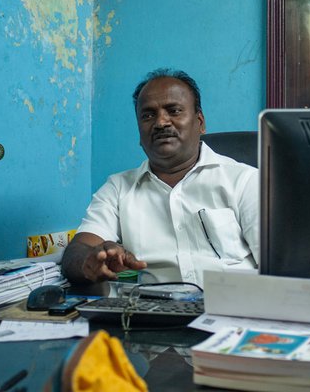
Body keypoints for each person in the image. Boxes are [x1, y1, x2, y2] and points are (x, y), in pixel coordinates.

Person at [61, 68, 259, 287]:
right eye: (148, 115)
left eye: (173, 111)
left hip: (233, 313)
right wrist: (91, 261)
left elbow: (281, 270)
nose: (161, 123)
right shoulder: (118, 188)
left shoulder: (245, 181)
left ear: (200, 122)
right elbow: (77, 251)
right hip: (153, 315)